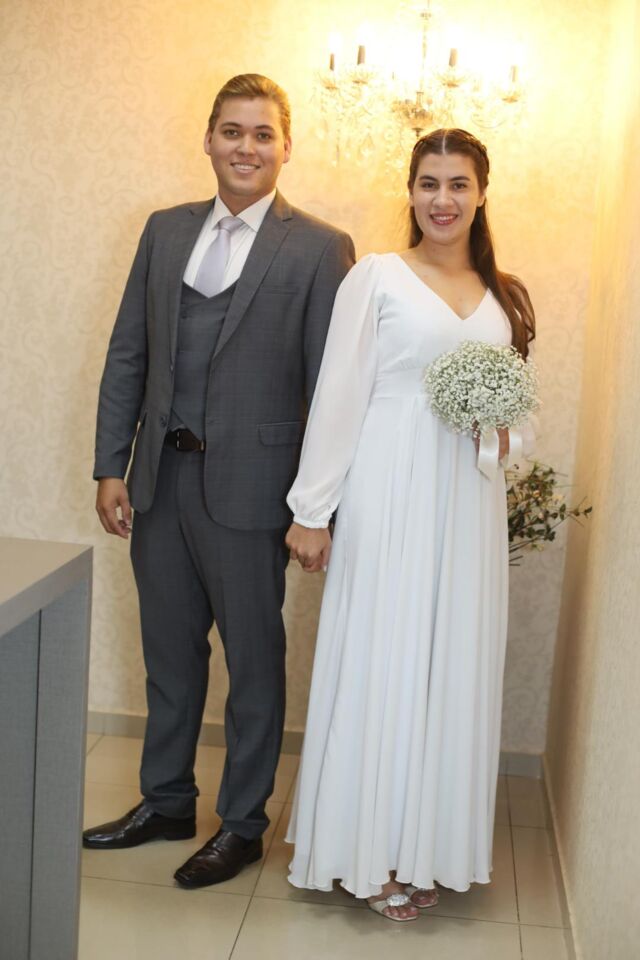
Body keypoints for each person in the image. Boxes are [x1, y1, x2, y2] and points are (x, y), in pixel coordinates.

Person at [84, 73, 355, 889]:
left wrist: (320, 506)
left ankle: (241, 825)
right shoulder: (164, 230)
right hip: (160, 481)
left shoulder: (320, 247)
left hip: (254, 492)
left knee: (253, 666)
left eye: (263, 134)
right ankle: (167, 801)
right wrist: (110, 464)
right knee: (169, 656)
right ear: (208, 139)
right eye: (232, 131)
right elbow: (128, 351)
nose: (246, 147)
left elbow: (333, 387)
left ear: (286, 147)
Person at [284, 128, 535, 921]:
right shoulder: (377, 277)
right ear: (411, 191)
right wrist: (312, 510)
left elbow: (519, 411)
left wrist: (502, 434)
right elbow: (339, 393)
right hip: (388, 489)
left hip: (468, 502)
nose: (442, 199)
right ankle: (368, 853)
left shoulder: (506, 295)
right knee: (382, 658)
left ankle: (424, 847)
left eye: (458, 184)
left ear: (482, 193)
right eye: (429, 183)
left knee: (448, 663)